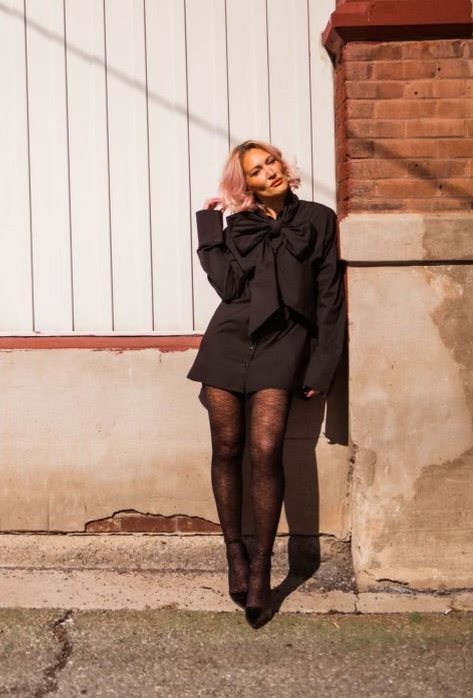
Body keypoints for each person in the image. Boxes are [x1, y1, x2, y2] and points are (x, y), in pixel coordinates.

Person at [187, 140, 346, 629]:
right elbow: (228, 287)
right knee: (227, 447)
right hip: (229, 340)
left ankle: (262, 568)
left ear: (282, 165)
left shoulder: (319, 219)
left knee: (265, 450)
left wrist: (322, 366)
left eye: (270, 162)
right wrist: (210, 225)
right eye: (255, 171)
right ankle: (234, 551)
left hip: (284, 343)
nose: (268, 172)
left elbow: (329, 296)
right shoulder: (240, 225)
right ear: (247, 184)